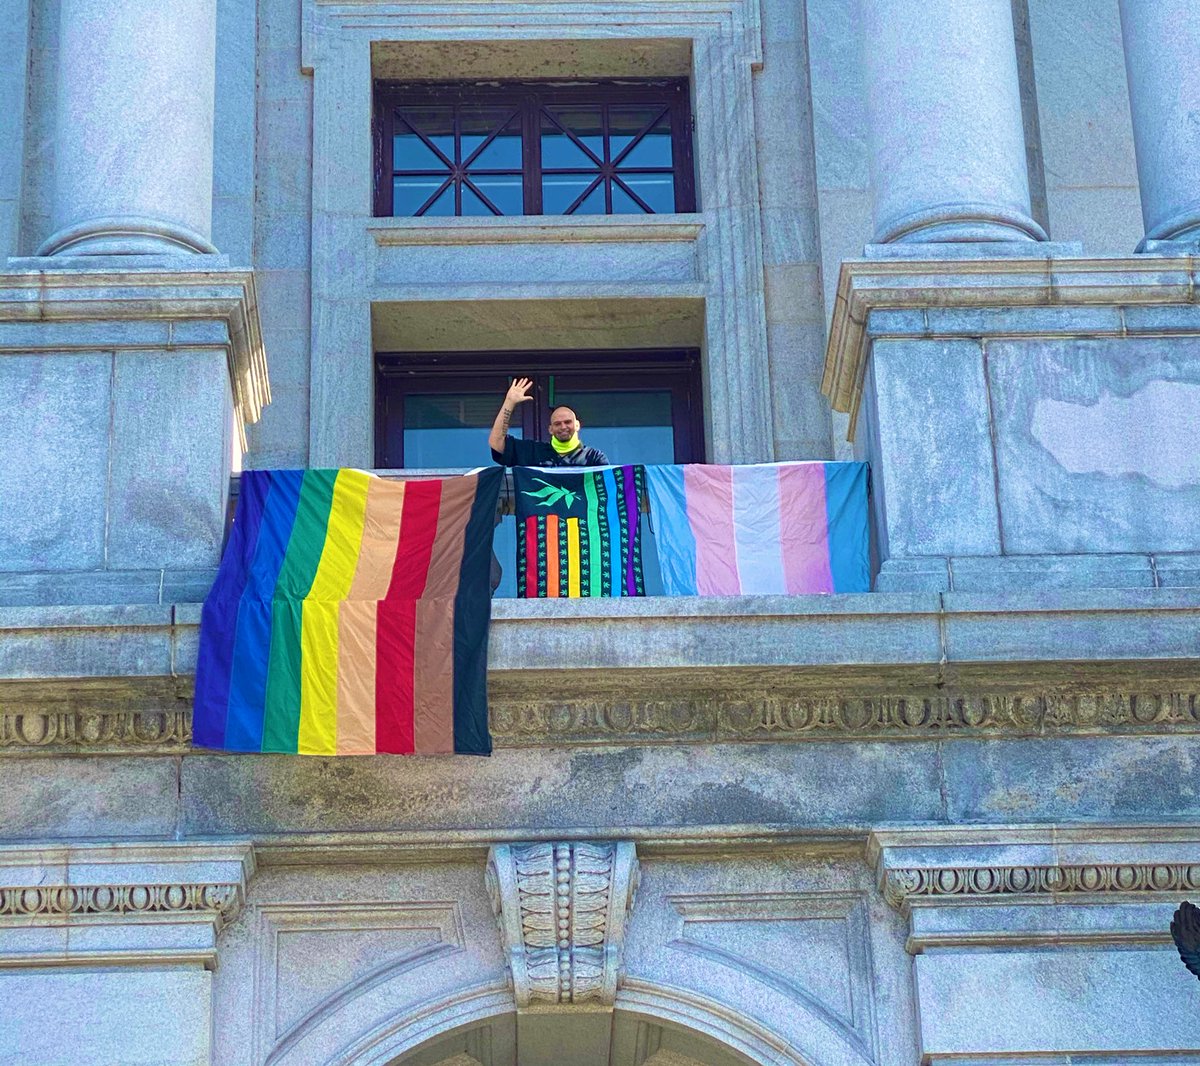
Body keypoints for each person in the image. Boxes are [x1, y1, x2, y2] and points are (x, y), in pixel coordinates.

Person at [488, 377, 609, 467]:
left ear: (577, 425)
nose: (563, 426)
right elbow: (496, 442)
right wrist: (509, 402)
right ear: (550, 429)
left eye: (568, 422)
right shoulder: (532, 452)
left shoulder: (594, 458)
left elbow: (608, 489)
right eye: (557, 423)